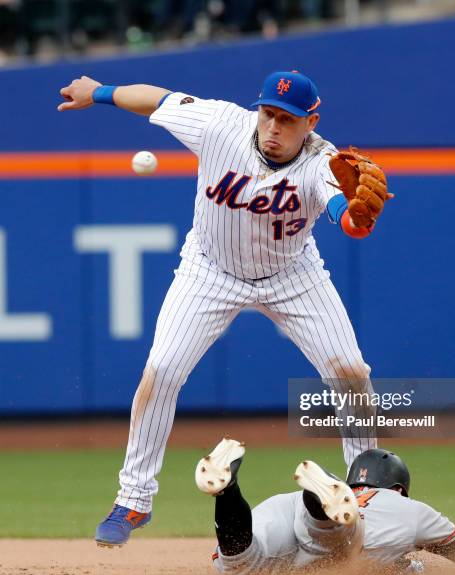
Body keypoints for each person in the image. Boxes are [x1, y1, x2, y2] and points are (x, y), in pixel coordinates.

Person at [57, 70, 392, 547]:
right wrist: (100, 94)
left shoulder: (323, 161)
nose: (274, 127)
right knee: (163, 370)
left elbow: (343, 210)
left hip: (292, 277)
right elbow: (158, 100)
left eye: (288, 120)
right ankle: (133, 499)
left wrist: (351, 217)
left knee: (350, 371)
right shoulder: (220, 124)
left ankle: (364, 494)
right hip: (209, 271)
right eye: (268, 115)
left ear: (310, 121)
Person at [195, 439, 455, 575]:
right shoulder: (410, 510)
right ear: (399, 487)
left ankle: (228, 491)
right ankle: (322, 504)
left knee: (238, 561)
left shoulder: (361, 502)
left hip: (285, 506)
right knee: (329, 536)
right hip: (346, 532)